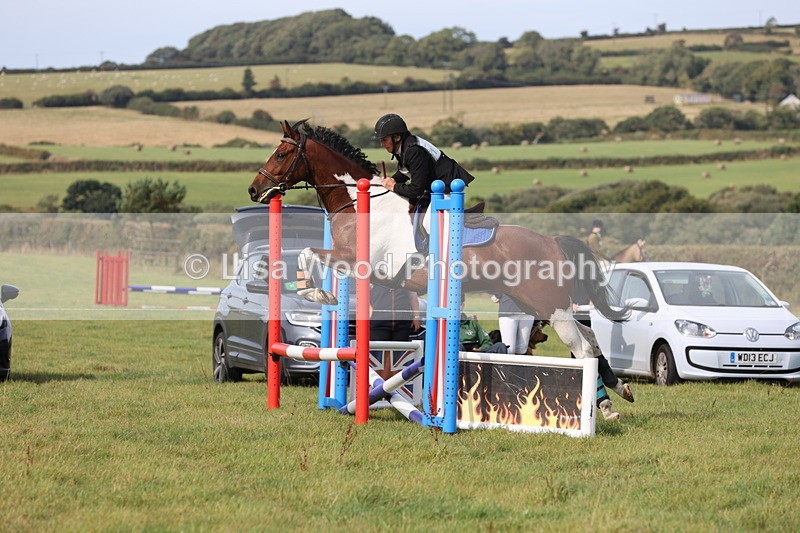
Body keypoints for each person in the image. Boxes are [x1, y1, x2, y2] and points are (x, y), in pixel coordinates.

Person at [375, 113, 476, 237]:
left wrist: (394, 187)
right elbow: (405, 171)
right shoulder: (405, 146)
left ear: (396, 138)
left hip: (448, 188)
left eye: (384, 140)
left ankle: (440, 254)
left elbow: (416, 189)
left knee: (429, 224)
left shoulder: (414, 150)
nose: (382, 144)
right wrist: (391, 180)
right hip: (435, 188)